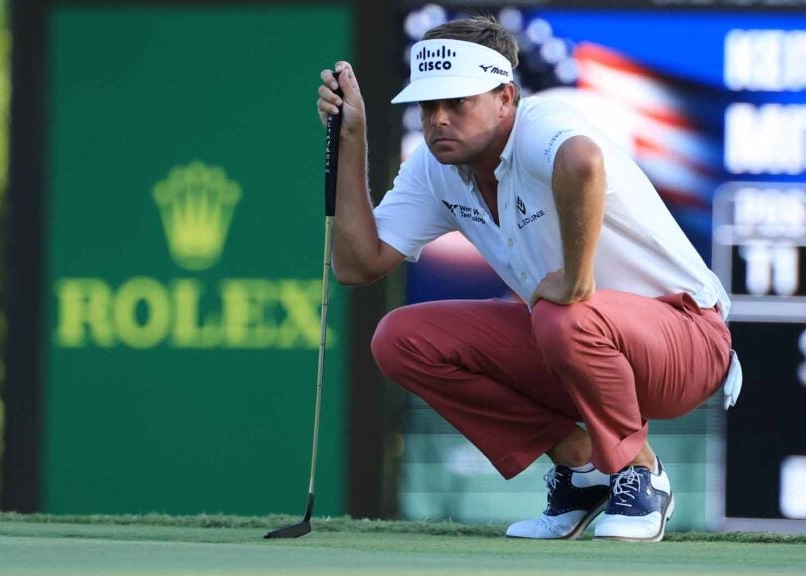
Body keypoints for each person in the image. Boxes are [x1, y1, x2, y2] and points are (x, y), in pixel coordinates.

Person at [315, 15, 742, 542]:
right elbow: (359, 264)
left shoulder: (541, 121)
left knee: (563, 313)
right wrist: (352, 138)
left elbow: (582, 162)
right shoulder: (435, 166)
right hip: (575, 344)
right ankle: (582, 466)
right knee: (400, 340)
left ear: (505, 98)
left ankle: (640, 474)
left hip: (687, 340)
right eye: (428, 107)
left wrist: (575, 280)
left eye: (458, 103)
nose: (439, 120)